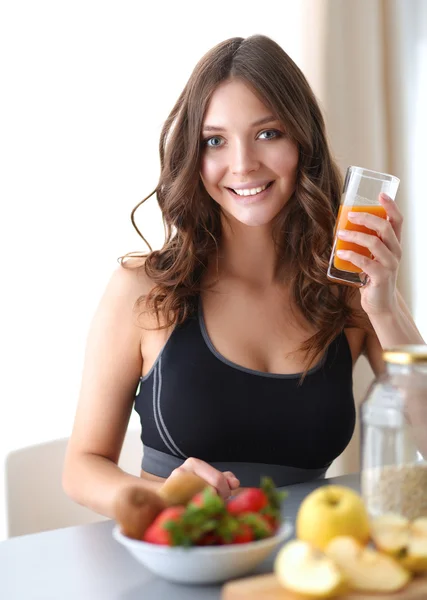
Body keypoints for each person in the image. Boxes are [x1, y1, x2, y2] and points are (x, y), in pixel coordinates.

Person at [63, 34, 425, 518]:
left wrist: (383, 308)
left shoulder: (352, 291)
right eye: (215, 141)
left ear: (302, 141)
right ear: (194, 155)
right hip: (178, 557)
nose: (242, 164)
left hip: (303, 570)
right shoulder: (144, 289)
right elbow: (82, 466)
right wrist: (161, 500)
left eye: (268, 133)